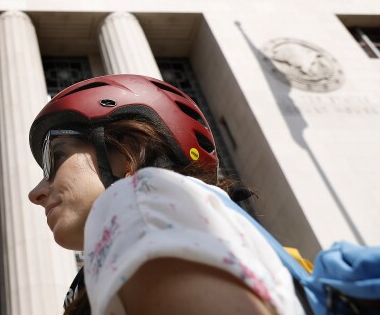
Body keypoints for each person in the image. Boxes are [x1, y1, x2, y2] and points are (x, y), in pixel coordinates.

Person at [27, 74, 305, 315]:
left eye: (56, 156)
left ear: (127, 153)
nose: (35, 193)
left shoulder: (144, 205)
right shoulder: (166, 226)